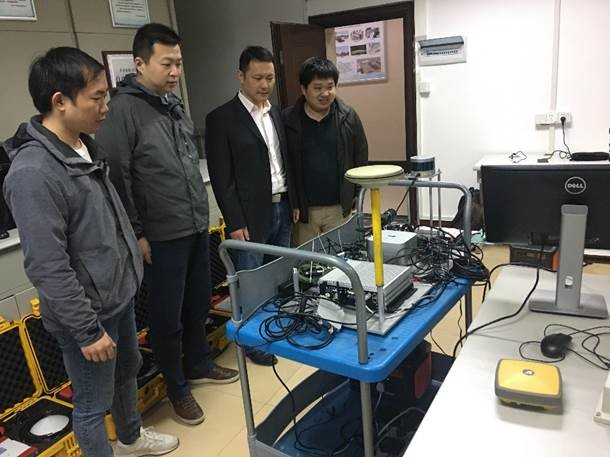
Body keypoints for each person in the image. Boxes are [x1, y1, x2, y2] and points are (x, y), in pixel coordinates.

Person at [2, 47, 178, 457]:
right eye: (96, 97)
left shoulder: (84, 146)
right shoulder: (33, 173)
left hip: (117, 296)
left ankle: (131, 438)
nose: (105, 107)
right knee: (91, 405)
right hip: (87, 314)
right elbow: (47, 266)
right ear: (60, 102)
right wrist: (86, 331)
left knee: (126, 372)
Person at [95, 23, 238, 426]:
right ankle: (177, 388)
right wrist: (138, 233)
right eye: (166, 63)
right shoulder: (123, 111)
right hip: (159, 235)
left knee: (198, 303)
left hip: (192, 224)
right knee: (166, 317)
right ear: (140, 64)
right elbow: (117, 176)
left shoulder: (172, 104)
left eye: (178, 63)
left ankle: (199, 362)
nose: (175, 71)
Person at [205, 46, 299, 366]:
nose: (264, 84)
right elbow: (222, 177)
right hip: (248, 216)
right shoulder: (221, 119)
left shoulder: (275, 113)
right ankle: (252, 340)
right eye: (258, 78)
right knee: (249, 279)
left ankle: (272, 328)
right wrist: (234, 221)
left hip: (282, 206)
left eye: (270, 78)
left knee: (276, 274)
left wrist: (293, 200)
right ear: (241, 76)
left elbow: (285, 161)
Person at [282, 57, 369, 246]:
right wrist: (292, 202)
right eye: (317, 87)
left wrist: (357, 191)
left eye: (330, 87)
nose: (325, 93)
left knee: (341, 256)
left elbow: (360, 155)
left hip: (339, 206)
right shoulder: (288, 120)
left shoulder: (348, 116)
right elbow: (284, 163)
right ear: (303, 89)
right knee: (307, 260)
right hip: (304, 211)